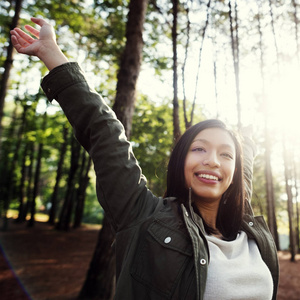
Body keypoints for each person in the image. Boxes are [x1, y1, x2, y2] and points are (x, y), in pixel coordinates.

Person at [10, 18, 279, 300]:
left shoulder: (250, 230)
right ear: (180, 161)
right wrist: (51, 52)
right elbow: (104, 131)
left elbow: (242, 169)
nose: (213, 161)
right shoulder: (144, 218)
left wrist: (247, 141)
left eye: (225, 154)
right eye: (199, 149)